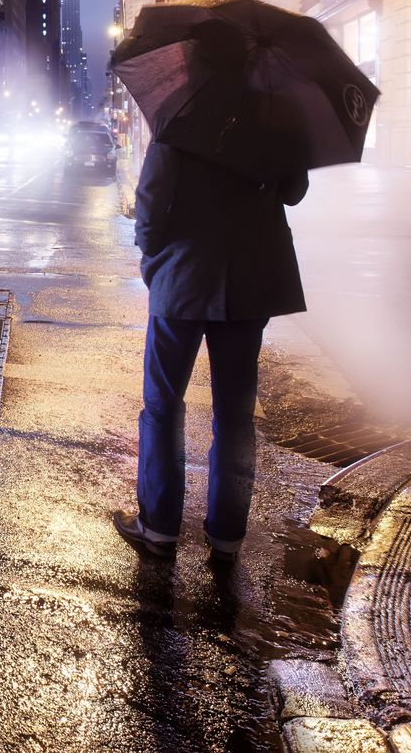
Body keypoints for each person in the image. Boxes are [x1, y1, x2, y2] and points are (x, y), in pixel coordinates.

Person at [113, 137, 308, 564]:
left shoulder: (184, 114)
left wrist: (151, 255)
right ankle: (226, 536)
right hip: (250, 278)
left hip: (182, 273)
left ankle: (159, 527)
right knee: (235, 413)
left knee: (163, 403)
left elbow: (152, 197)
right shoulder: (275, 115)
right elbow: (294, 191)